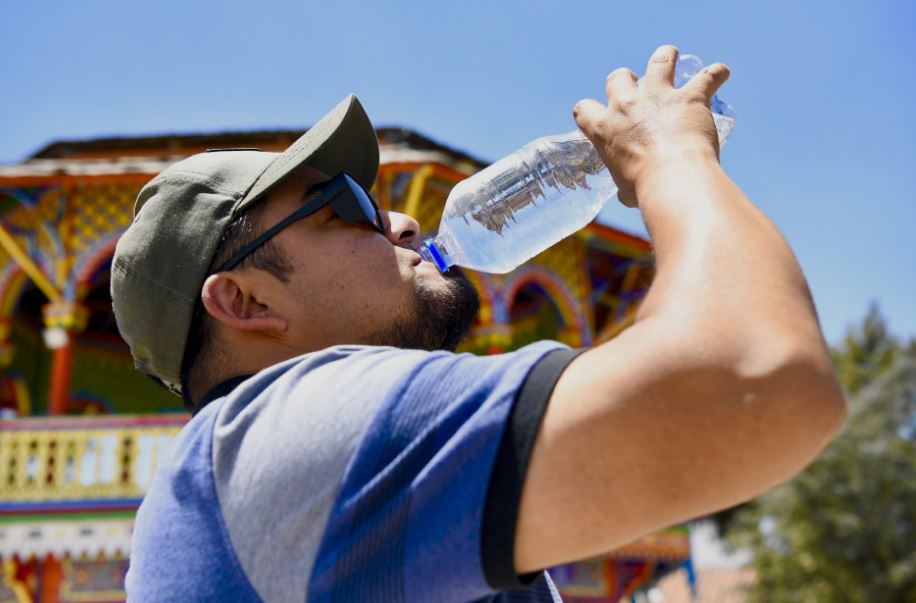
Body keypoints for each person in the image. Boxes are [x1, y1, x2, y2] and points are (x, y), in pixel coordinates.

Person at [112, 46, 846, 602]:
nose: (399, 220)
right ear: (245, 302)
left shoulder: (255, 489)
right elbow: (756, 378)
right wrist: (674, 158)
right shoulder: (275, 437)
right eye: (345, 207)